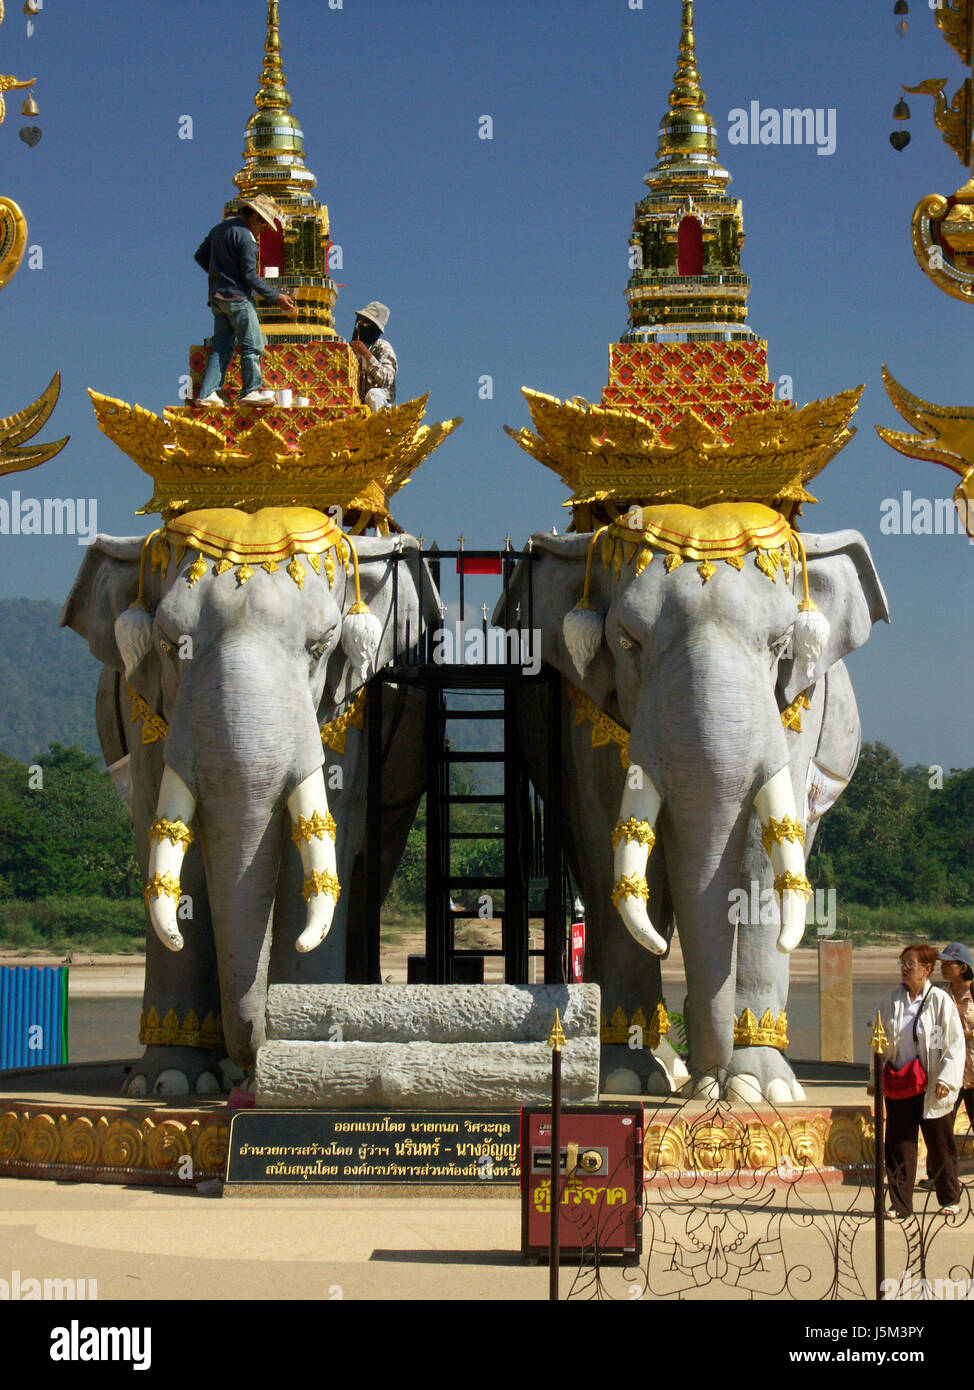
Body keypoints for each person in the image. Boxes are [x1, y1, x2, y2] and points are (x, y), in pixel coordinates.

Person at [870, 943, 965, 1218]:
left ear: (926, 969)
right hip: (901, 1083)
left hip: (932, 1084)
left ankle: (949, 1198)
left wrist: (946, 1078)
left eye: (911, 963)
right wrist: (874, 1079)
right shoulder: (890, 1001)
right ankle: (899, 1205)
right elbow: (877, 1042)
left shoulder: (939, 1001)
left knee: (940, 1144)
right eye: (903, 962)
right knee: (899, 1145)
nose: (905, 967)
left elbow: (954, 1044)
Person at [194, 195, 296, 406]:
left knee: (222, 345)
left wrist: (219, 274)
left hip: (217, 298)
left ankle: (207, 393)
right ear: (255, 217)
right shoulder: (247, 238)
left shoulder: (219, 229)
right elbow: (250, 276)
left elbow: (200, 256)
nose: (264, 230)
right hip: (238, 298)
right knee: (253, 343)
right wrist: (276, 297)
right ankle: (250, 390)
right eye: (264, 225)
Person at [940, 942, 974, 1136]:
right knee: (941, 1133)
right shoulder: (941, 995)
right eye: (942, 964)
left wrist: (966, 1035)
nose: (942, 968)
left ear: (963, 968)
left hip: (973, 1074)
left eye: (948, 964)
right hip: (949, 1075)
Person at [349, 302, 397, 413]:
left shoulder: (382, 347)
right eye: (359, 321)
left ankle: (382, 429)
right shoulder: (350, 350)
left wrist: (367, 355)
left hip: (380, 405)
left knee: (373, 395)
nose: (359, 326)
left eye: (365, 323)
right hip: (358, 406)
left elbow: (387, 379)